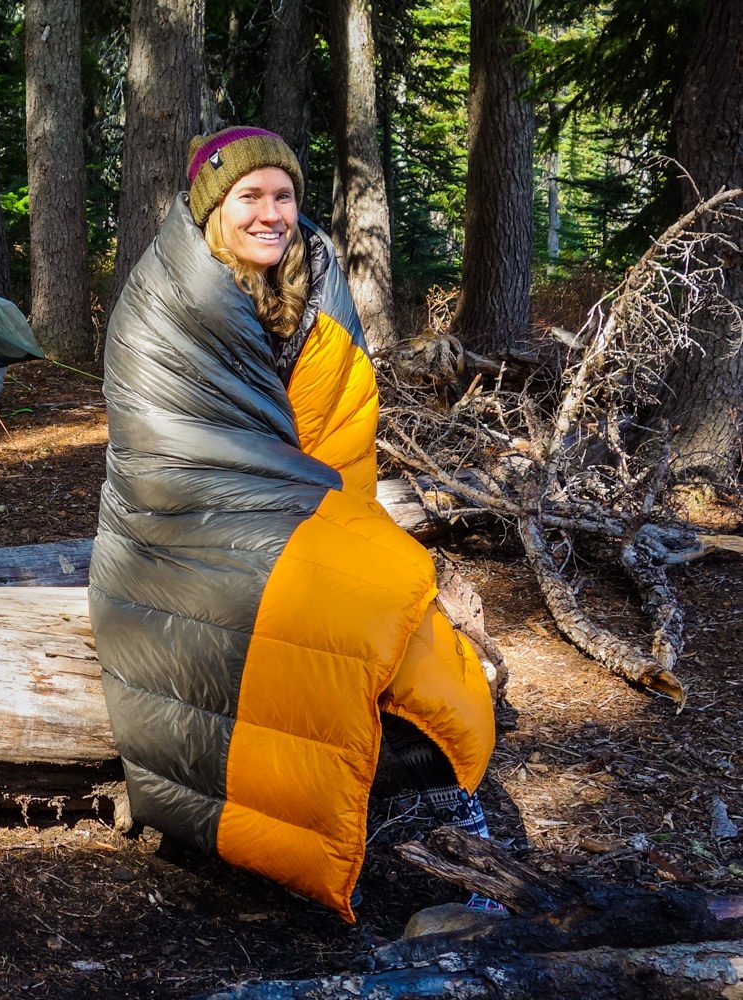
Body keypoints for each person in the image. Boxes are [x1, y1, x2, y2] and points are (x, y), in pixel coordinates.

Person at [88, 125, 502, 923]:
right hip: (183, 525)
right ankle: (448, 841)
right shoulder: (165, 300)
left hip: (286, 507)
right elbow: (166, 444)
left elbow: (340, 437)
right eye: (250, 197)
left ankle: (468, 850)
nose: (272, 213)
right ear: (214, 208)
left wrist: (337, 530)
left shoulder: (313, 281)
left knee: (398, 632)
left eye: (283, 196)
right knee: (361, 625)